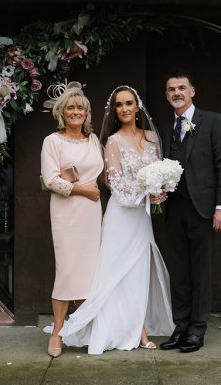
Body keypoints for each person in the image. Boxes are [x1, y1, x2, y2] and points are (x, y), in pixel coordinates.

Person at [57, 85, 174, 355]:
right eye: (119, 104)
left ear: (137, 107)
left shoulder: (151, 138)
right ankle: (139, 330)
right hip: (121, 216)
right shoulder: (112, 142)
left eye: (129, 103)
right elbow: (117, 186)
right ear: (115, 110)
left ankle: (139, 325)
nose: (124, 109)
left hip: (142, 219)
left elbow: (160, 175)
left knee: (138, 273)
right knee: (116, 274)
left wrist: (159, 194)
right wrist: (145, 194)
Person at [159, 69, 221, 353]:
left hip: (204, 210)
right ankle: (180, 327)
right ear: (166, 95)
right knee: (179, 271)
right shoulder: (167, 130)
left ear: (192, 91)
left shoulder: (214, 121)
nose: (176, 93)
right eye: (171, 89)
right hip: (175, 210)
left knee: (200, 271)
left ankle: (198, 329)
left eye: (181, 87)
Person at [40, 86, 104, 358]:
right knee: (67, 270)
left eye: (81, 108)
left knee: (89, 273)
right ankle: (57, 331)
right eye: (71, 108)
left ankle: (84, 328)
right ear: (62, 112)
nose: (76, 112)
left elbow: (105, 173)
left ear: (87, 113)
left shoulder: (93, 142)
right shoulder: (52, 141)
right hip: (67, 211)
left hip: (91, 213)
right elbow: (50, 180)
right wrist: (82, 190)